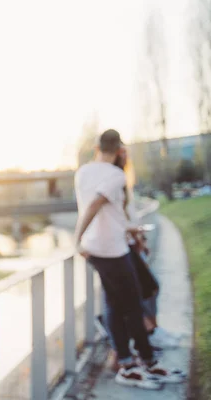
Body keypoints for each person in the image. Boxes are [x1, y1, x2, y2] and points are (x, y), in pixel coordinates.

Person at [74, 129, 183, 389]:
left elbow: (106, 213)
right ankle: (145, 362)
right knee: (133, 304)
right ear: (120, 148)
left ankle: (128, 364)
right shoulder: (115, 174)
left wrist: (128, 229)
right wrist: (76, 238)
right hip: (111, 250)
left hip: (97, 249)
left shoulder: (83, 172)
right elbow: (94, 205)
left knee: (114, 304)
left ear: (97, 147)